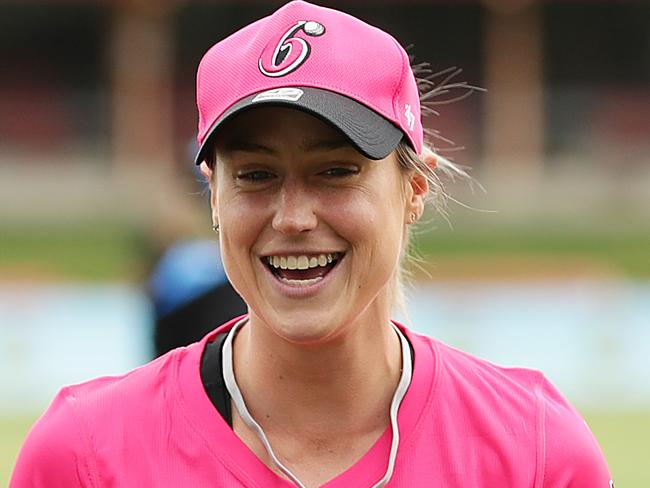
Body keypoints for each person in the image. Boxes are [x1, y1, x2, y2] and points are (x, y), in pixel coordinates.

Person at [11, 2, 613, 486]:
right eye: (256, 175)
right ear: (213, 197)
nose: (293, 217)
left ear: (415, 188)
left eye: (336, 172)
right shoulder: (84, 458)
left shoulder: (534, 455)